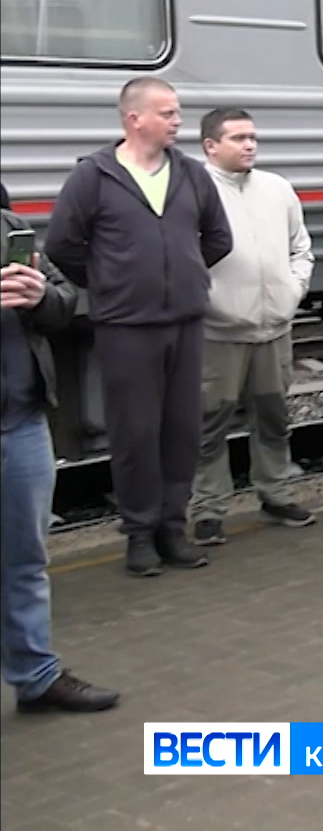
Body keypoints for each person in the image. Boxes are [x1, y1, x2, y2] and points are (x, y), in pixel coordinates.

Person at [45, 78, 232, 577]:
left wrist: (184, 276)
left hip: (185, 322)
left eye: (176, 113)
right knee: (135, 434)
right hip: (126, 327)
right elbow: (62, 245)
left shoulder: (191, 175)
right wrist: (110, 284)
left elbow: (218, 238)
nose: (177, 121)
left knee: (181, 430)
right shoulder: (94, 177)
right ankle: (140, 534)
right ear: (135, 119)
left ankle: (174, 528)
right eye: (167, 113)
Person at [2, 186, 119, 713]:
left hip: (21, 421)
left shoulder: (6, 224)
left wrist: (39, 297)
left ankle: (37, 675)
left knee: (26, 559)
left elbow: (63, 300)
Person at [190, 108, 318, 546]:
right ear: (211, 146)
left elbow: (301, 248)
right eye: (238, 138)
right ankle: (208, 509)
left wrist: (293, 290)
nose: (250, 145)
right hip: (218, 333)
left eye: (252, 138)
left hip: (274, 329)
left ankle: (276, 493)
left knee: (274, 416)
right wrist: (210, 303)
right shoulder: (194, 191)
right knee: (210, 422)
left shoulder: (276, 189)